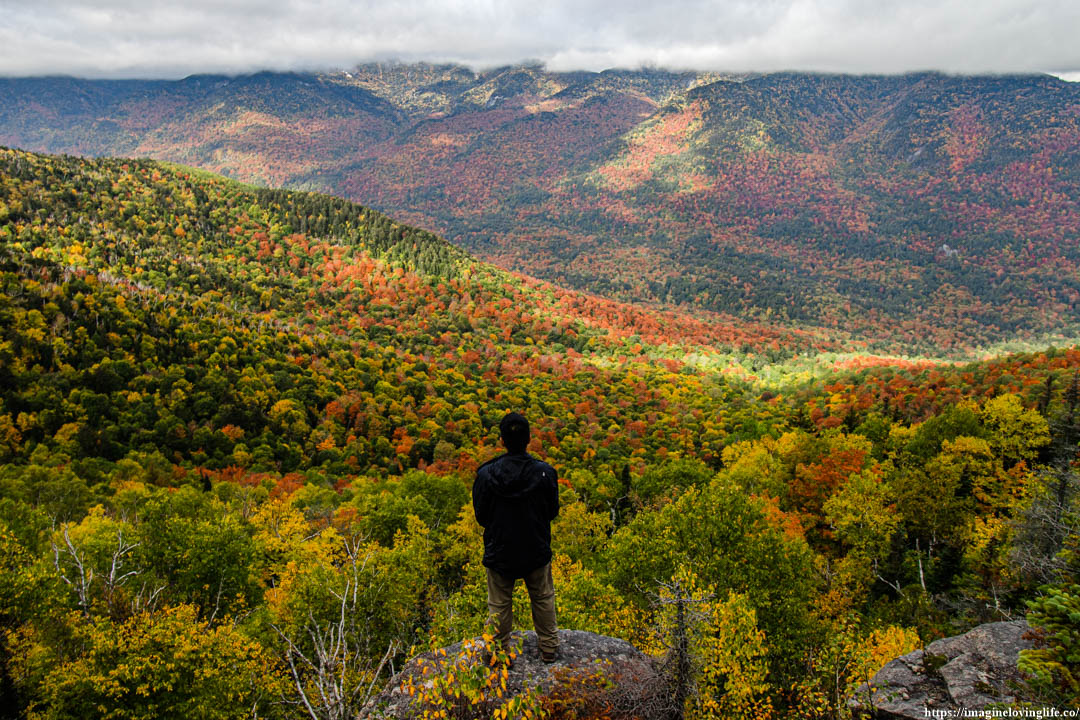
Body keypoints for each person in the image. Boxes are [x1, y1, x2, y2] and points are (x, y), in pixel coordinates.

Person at [472, 412, 560, 663]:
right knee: (542, 597)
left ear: (502, 440)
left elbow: (481, 516)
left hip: (500, 549)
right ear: (529, 438)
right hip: (535, 547)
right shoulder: (545, 473)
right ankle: (549, 648)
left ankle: (499, 654)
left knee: (499, 604)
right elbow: (552, 511)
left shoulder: (486, 476)